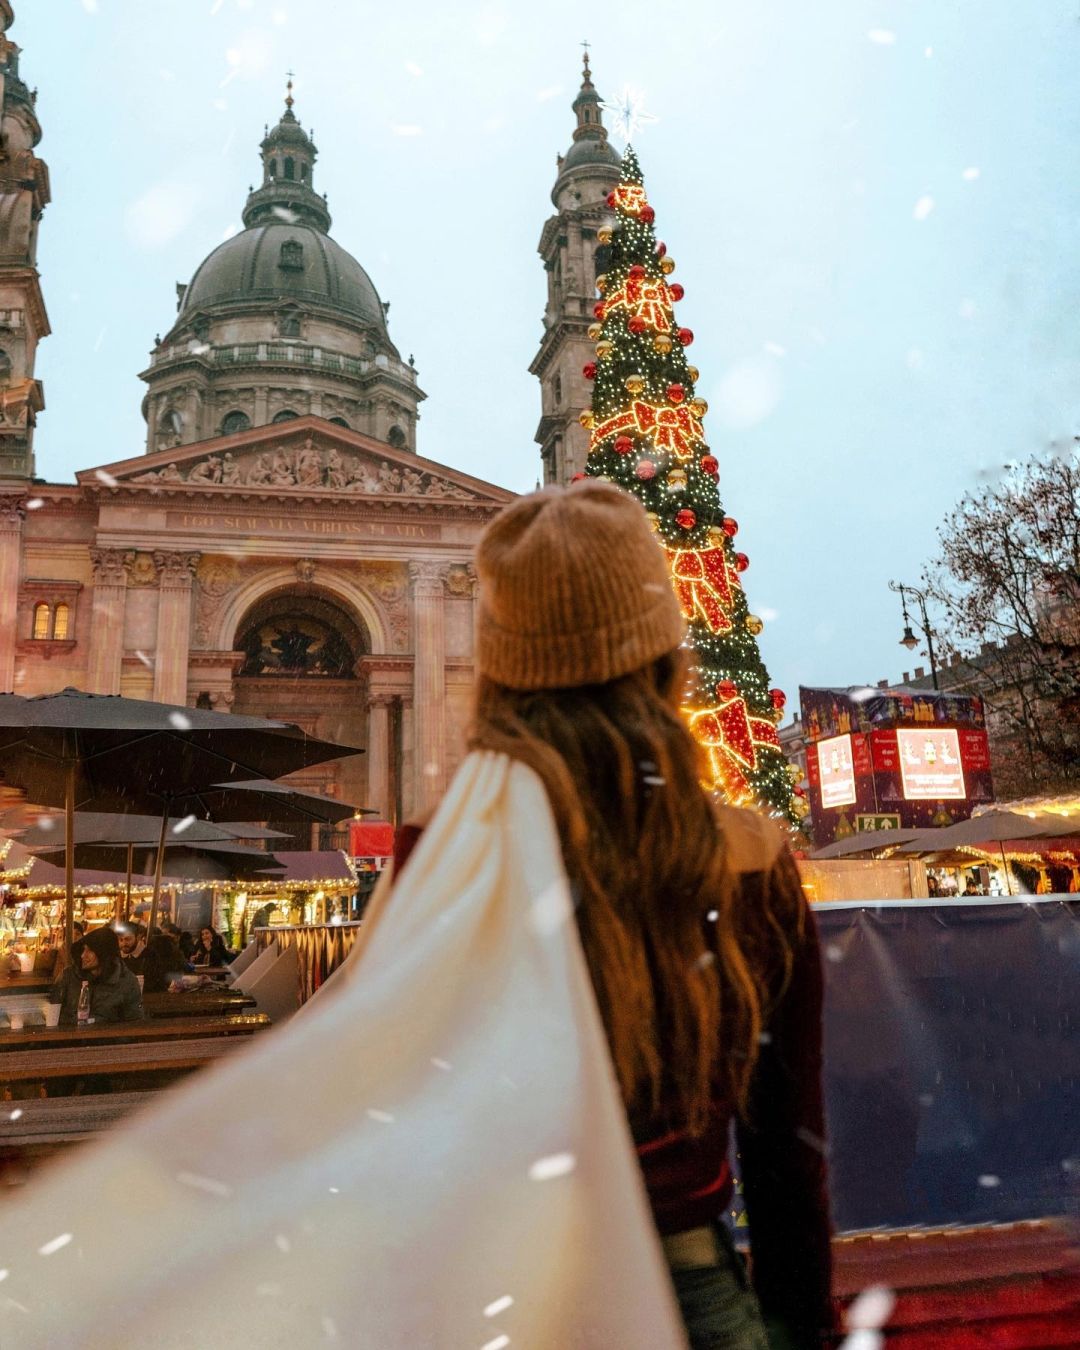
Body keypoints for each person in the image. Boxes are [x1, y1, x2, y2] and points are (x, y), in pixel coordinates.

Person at [392, 483, 834, 1349]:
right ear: (668, 661)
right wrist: (802, 1327)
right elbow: (788, 1154)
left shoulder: (441, 861)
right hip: (688, 1290)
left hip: (494, 1296)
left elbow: (405, 1127)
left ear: (501, 675)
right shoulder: (748, 862)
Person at [53, 925, 144, 1026]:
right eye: (83, 950)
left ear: (103, 953)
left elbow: (134, 1022)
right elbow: (53, 1012)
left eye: (90, 951)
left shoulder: (126, 981)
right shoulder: (69, 976)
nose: (83, 955)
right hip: (69, 1038)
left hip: (109, 1040)